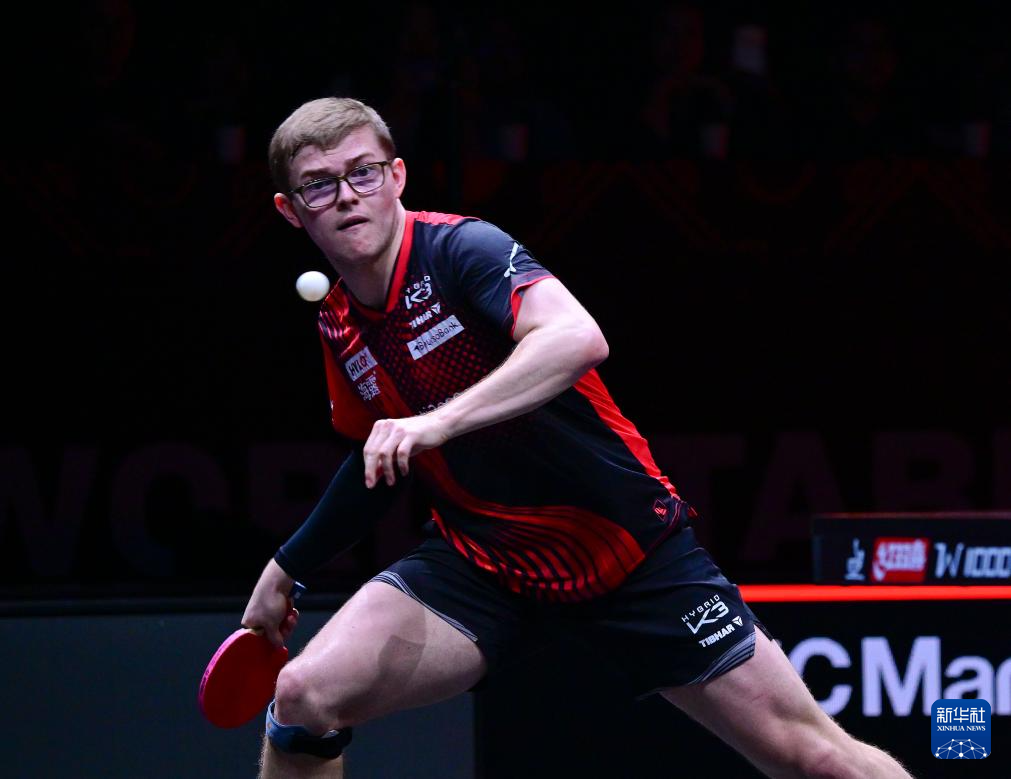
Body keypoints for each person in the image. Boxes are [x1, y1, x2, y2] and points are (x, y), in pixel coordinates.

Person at [242, 96, 913, 779]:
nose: (346, 196)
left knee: (813, 758)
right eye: (319, 184)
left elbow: (575, 336)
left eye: (363, 172)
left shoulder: (460, 251)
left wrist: (436, 421)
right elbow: (378, 459)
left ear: (397, 176)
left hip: (625, 553)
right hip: (484, 563)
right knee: (302, 697)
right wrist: (287, 566)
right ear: (290, 210)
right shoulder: (337, 320)